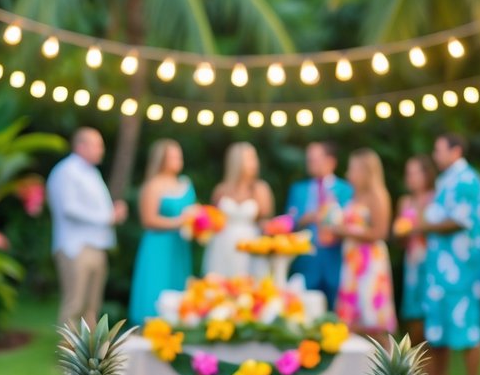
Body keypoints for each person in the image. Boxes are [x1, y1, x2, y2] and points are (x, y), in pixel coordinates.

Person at [419, 133, 480, 375]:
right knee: (440, 324)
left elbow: (460, 220)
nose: (435, 156)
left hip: (463, 269)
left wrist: (423, 226)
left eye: (439, 150)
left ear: (456, 150)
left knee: (467, 325)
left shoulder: (468, 180)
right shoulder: (446, 180)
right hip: (439, 269)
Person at [46, 127, 127, 328]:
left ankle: (90, 346)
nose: (101, 150)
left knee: (92, 306)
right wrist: (107, 217)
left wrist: (112, 212)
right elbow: (69, 208)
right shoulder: (66, 171)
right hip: (75, 247)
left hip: (97, 246)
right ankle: (68, 346)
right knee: (75, 304)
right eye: (97, 145)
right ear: (81, 146)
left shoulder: (92, 173)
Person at [329, 149, 397, 338]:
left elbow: (380, 232)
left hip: (369, 262)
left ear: (366, 171)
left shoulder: (377, 196)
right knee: (352, 319)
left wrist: (344, 230)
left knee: (371, 317)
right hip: (352, 261)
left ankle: (386, 355)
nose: (348, 174)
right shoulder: (354, 196)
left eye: (352, 169)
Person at [128, 139, 196, 326]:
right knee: (156, 285)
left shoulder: (185, 184)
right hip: (159, 245)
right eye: (173, 156)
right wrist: (180, 221)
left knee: (178, 287)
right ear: (161, 159)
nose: (178, 159)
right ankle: (150, 326)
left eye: (179, 155)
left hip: (179, 246)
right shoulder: (153, 185)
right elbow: (148, 220)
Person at [286, 141, 353, 307]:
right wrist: (305, 219)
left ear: (331, 161)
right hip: (306, 261)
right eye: (308, 159)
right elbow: (288, 224)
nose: (310, 163)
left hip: (336, 259)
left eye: (315, 159)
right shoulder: (298, 189)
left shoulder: (346, 190)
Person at [203, 142, 275, 279]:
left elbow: (266, 221)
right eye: (249, 158)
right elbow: (212, 218)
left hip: (249, 243)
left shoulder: (260, 189)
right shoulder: (221, 190)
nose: (254, 163)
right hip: (222, 244)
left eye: (254, 158)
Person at [393, 154, 436, 343]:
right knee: (413, 312)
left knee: (431, 311)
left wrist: (415, 226)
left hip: (431, 260)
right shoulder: (405, 202)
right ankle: (417, 357)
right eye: (407, 173)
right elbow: (399, 239)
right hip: (411, 262)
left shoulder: (435, 199)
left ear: (426, 174)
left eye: (414, 173)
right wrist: (400, 233)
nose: (409, 178)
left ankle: (433, 358)